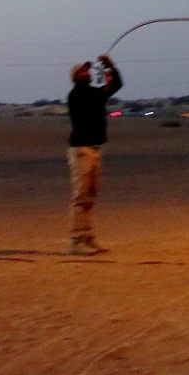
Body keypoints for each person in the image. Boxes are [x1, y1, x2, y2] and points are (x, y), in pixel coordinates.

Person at [65, 53, 123, 255]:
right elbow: (99, 96)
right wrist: (106, 83)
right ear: (76, 76)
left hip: (95, 149)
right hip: (82, 150)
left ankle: (88, 237)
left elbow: (116, 86)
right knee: (81, 197)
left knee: (90, 198)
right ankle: (76, 241)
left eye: (87, 69)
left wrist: (110, 67)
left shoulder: (92, 93)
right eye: (83, 70)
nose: (87, 72)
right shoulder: (77, 95)